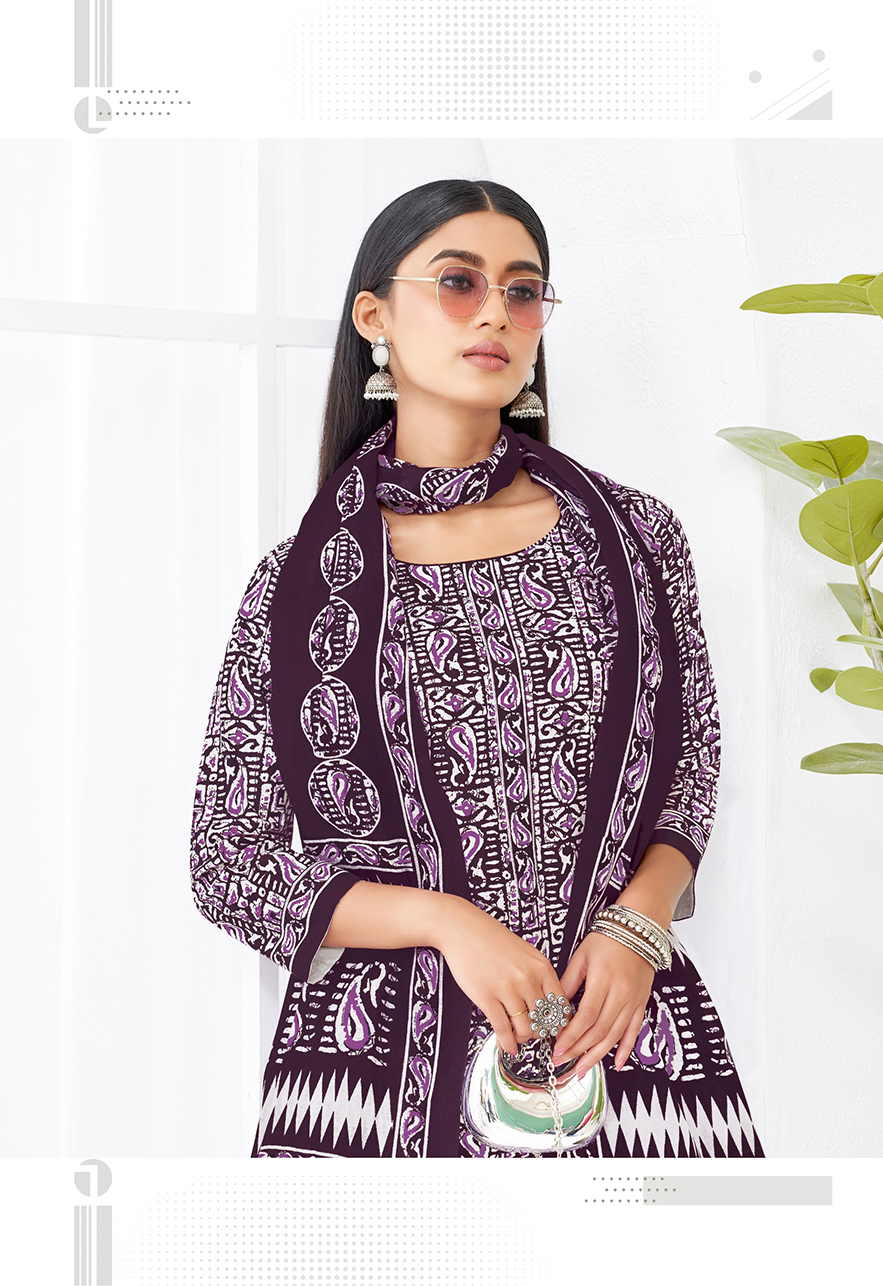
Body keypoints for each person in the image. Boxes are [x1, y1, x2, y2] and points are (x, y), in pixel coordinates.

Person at [189, 178, 765, 1159]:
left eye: (523, 290)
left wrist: (639, 925)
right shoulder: (302, 586)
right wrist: (448, 921)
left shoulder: (635, 538)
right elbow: (228, 865)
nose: (496, 311)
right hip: (374, 1080)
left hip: (618, 1031)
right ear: (374, 317)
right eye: (459, 282)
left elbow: (689, 767)